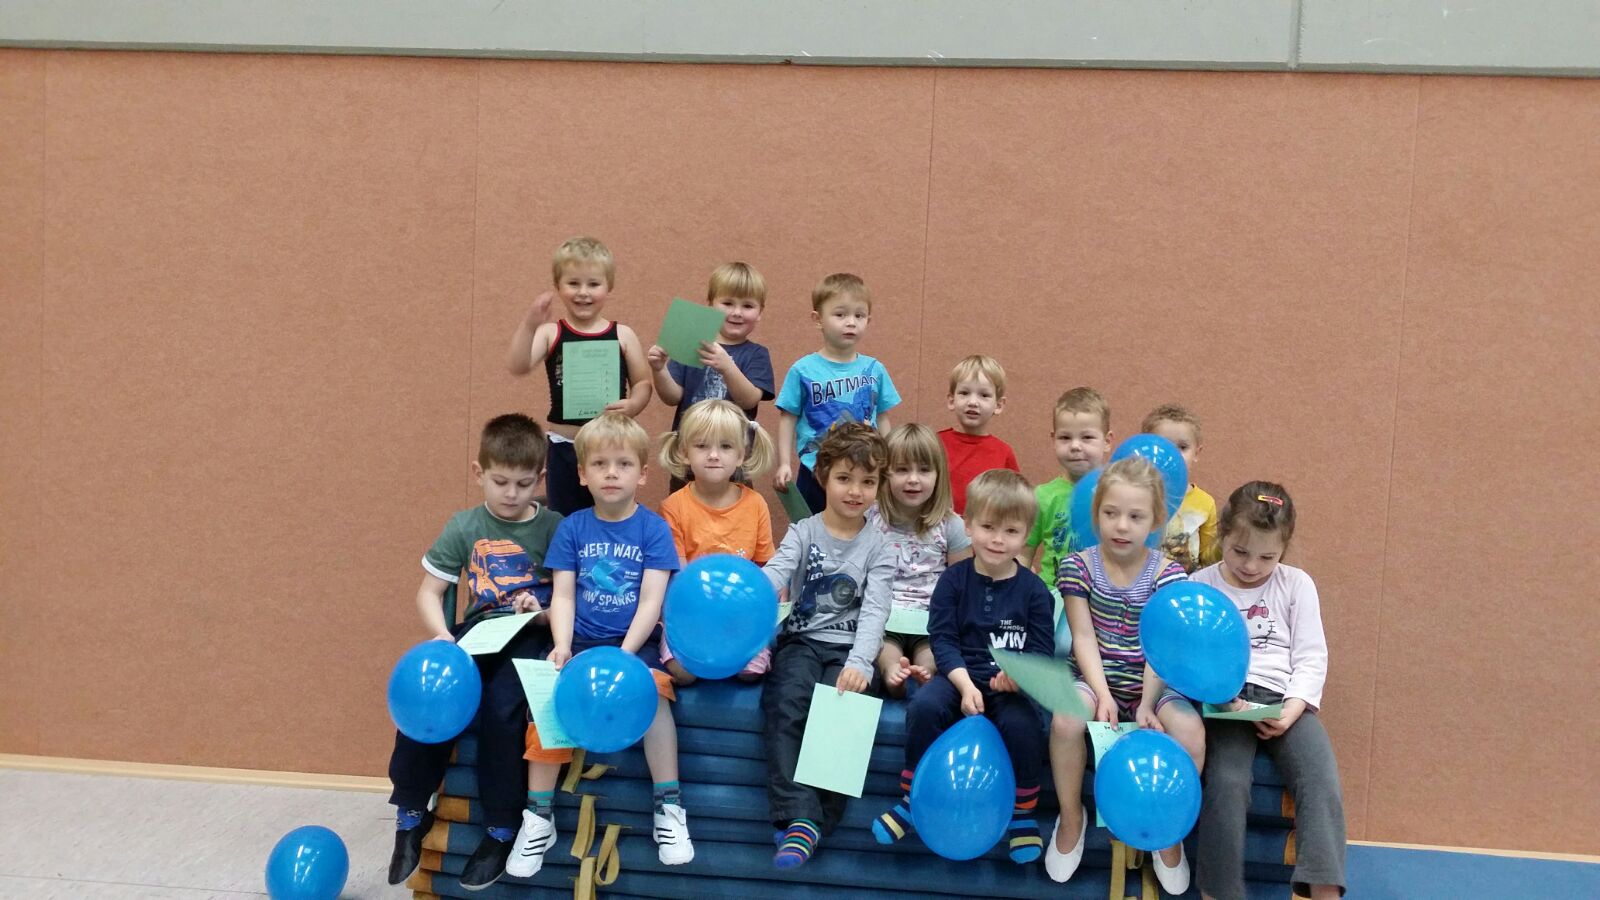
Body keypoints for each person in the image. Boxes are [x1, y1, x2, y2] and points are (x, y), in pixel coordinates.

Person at [508, 414, 692, 876]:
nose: (612, 473)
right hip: (580, 642)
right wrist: (561, 646)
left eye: (623, 464)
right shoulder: (572, 529)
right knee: (546, 703)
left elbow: (651, 600)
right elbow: (564, 595)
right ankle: (538, 817)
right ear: (581, 474)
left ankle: (669, 808)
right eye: (600, 464)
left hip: (632, 644)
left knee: (655, 698)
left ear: (642, 474)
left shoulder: (653, 530)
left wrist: (626, 655)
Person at [386, 414, 562, 890]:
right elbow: (429, 592)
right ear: (478, 472)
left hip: (530, 634)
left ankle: (501, 828)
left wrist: (542, 612)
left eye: (524, 484)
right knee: (429, 694)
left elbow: (570, 599)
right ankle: (410, 812)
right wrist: (442, 635)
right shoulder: (464, 525)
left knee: (502, 709)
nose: (512, 494)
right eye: (500, 482)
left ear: (540, 478)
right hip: (476, 633)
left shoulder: (554, 527)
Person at [872, 470, 1054, 864]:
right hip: (957, 676)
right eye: (988, 527)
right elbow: (943, 640)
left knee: (1024, 726)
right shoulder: (953, 581)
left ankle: (1022, 813)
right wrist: (966, 685)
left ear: (1026, 535)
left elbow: (1041, 652)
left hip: (1009, 687)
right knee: (924, 707)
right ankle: (911, 799)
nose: (997, 539)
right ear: (967, 525)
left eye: (1010, 531)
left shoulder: (1036, 592)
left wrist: (1020, 677)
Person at [1044, 457, 1204, 894]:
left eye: (1135, 516)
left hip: (1152, 681)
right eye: (1111, 513)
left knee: (1191, 734)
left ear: (1155, 521)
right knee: (1065, 720)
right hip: (1095, 676)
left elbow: (1161, 647)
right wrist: (1102, 694)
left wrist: (1148, 703)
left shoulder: (1168, 573)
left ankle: (1168, 830)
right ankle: (1071, 816)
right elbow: (1082, 636)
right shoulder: (1078, 566)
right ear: (1096, 513)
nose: (1121, 525)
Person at [1190, 483, 1345, 900]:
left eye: (1267, 557)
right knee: (1227, 781)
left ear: (1283, 550)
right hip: (1226, 702)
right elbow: (1192, 658)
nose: (1251, 566)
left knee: (1320, 777)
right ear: (1223, 533)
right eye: (1240, 552)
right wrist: (1224, 699)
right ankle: (1219, 891)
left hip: (1285, 700)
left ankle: (1323, 889)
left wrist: (1291, 710)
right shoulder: (1200, 585)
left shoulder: (1296, 585)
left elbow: (1311, 656)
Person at [760, 421, 895, 869]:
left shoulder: (880, 547)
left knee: (843, 710)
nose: (855, 491)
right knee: (786, 704)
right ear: (823, 477)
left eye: (868, 481)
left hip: (850, 649)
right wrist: (749, 595)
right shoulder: (804, 531)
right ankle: (801, 817)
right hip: (802, 641)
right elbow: (776, 572)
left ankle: (810, 822)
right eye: (844, 478)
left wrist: (861, 663)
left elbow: (875, 611)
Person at [506, 236, 653, 515]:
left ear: (609, 286)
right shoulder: (550, 332)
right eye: (573, 283)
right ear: (558, 286)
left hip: (612, 448)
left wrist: (634, 405)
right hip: (565, 448)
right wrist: (529, 325)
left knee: (613, 515)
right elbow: (517, 365)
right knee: (564, 518)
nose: (583, 292)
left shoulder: (623, 335)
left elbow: (643, 383)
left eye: (593, 284)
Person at [657, 398, 778, 684]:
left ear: (741, 455)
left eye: (725, 447)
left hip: (740, 613)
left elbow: (767, 567)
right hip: (691, 613)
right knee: (684, 674)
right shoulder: (673, 507)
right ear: (684, 453)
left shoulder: (756, 504)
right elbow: (679, 576)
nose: (713, 455)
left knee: (750, 673)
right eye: (702, 446)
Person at [772, 273, 901, 515]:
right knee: (811, 530)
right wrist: (784, 463)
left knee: (862, 530)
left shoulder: (875, 369)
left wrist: (891, 462)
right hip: (814, 470)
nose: (851, 322)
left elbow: (882, 417)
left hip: (864, 471)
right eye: (840, 315)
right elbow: (787, 418)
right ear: (818, 319)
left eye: (859, 315)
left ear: (868, 320)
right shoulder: (802, 370)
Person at [646, 262, 776, 492]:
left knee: (735, 509)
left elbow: (749, 400)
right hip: (689, 456)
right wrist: (659, 369)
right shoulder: (693, 344)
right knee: (683, 508)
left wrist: (727, 367)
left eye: (747, 305)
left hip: (733, 459)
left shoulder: (757, 354)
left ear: (760, 313)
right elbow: (672, 397)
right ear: (710, 305)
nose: (737, 312)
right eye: (727, 303)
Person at [866, 424, 972, 698]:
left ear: (939, 475)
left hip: (930, 618)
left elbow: (961, 583)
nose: (913, 479)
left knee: (932, 651)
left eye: (924, 470)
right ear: (885, 474)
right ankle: (893, 674)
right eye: (902, 470)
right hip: (885, 615)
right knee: (883, 647)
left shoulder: (951, 525)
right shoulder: (871, 519)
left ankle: (926, 673)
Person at [1027, 387, 1113, 590]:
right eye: (1065, 438)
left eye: (1087, 437)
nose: (1075, 446)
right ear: (1053, 439)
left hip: (1103, 597)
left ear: (1107, 441)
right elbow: (1024, 552)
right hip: (1052, 595)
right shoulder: (1041, 496)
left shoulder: (1117, 493)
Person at [1141, 402, 1220, 572]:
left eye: (1182, 447)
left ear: (1196, 453)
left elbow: (1208, 558)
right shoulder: (1134, 496)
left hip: (1185, 582)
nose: (1172, 455)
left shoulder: (1205, 503)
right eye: (1163, 447)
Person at [937, 354, 1019, 515]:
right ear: (951, 401)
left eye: (984, 395)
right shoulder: (935, 444)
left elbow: (1014, 501)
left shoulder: (1004, 453)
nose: (973, 402)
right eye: (964, 393)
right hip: (939, 527)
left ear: (998, 405)